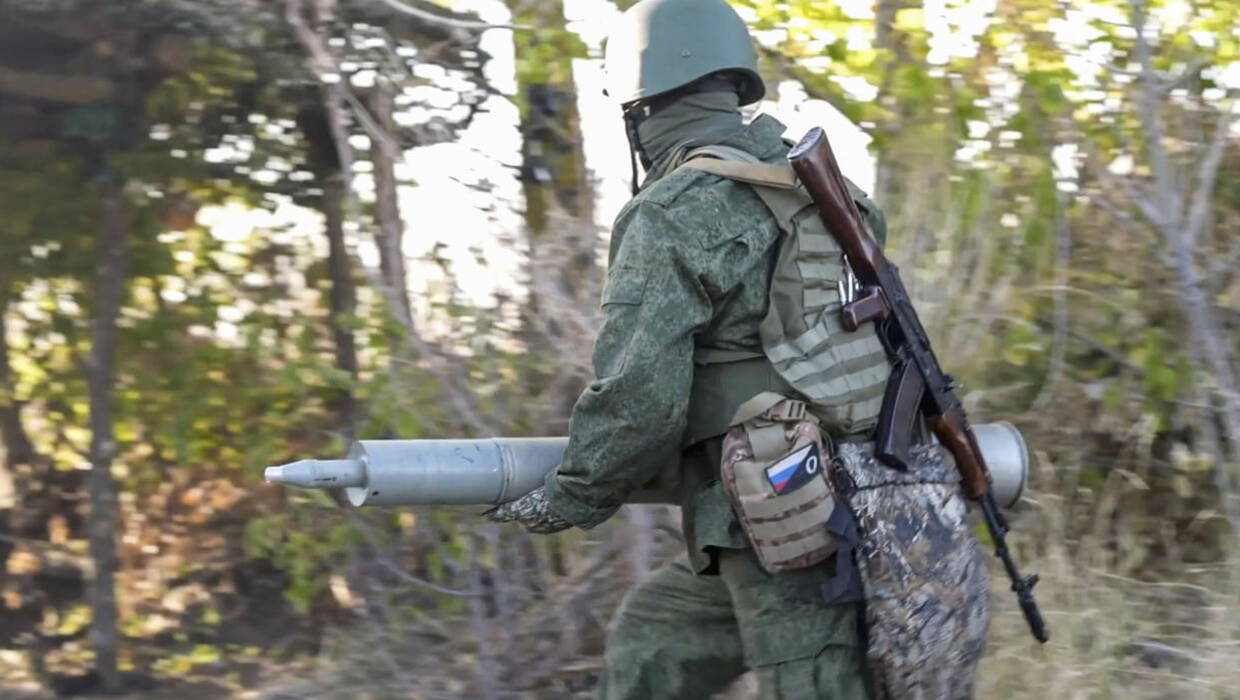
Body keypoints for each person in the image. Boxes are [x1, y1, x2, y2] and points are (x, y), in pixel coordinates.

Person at [488, 0, 901, 697]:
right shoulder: (838, 196)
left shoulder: (672, 211)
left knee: (815, 682)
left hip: (786, 517)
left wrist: (572, 496)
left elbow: (638, 400)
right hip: (861, 488)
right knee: (654, 642)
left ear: (638, 108)